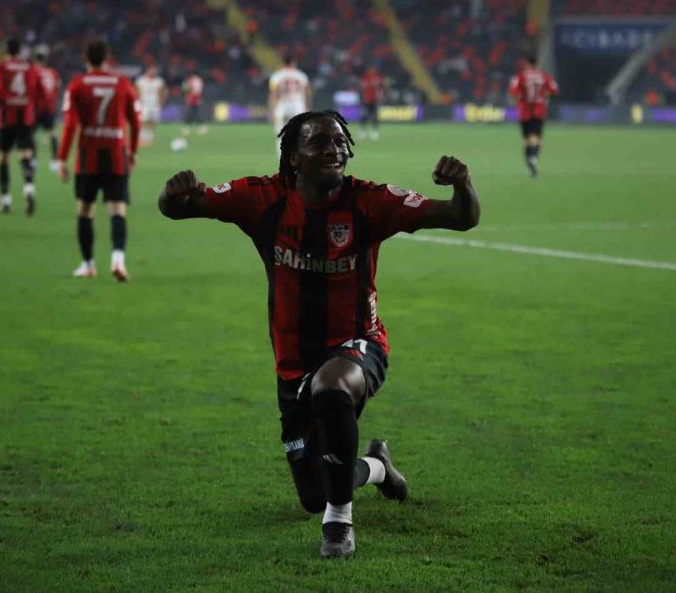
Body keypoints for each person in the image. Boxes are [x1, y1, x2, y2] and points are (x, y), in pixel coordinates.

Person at [158, 110, 480, 558]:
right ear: (292, 157)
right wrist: (175, 195)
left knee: (332, 389)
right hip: (293, 361)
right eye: (319, 143)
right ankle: (378, 468)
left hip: (358, 345)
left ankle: (340, 525)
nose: (334, 149)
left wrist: (462, 186)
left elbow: (461, 218)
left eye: (339, 141)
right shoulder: (263, 199)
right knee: (315, 494)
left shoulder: (369, 201)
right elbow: (178, 209)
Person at [57, 40, 140, 282]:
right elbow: (135, 120)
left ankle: (88, 264)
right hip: (115, 155)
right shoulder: (122, 83)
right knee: (117, 210)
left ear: (86, 59)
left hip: (88, 156)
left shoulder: (78, 85)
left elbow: (70, 124)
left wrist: (62, 158)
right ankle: (118, 260)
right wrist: (132, 151)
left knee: (85, 210)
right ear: (107, 58)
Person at [0, 37, 42, 214]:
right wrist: (30, 106)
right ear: (20, 51)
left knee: (3, 157)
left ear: (7, 51)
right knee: (25, 154)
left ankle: (5, 200)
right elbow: (40, 90)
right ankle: (29, 189)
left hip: (6, 116)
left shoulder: (0, 67)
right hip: (25, 116)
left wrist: (1, 104)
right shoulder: (30, 67)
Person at [508, 55, 558, 177]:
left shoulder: (521, 76)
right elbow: (554, 89)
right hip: (539, 110)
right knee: (537, 138)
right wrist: (545, 93)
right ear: (537, 63)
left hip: (525, 110)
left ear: (527, 63)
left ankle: (529, 165)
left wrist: (518, 97)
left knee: (526, 140)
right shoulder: (544, 76)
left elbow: (513, 91)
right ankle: (534, 158)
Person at [268, 57, 311, 159]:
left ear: (283, 63)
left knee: (281, 134)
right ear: (293, 63)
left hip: (282, 106)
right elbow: (308, 92)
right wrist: (308, 107)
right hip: (298, 106)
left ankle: (282, 158)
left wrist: (272, 110)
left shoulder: (277, 75)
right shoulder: (301, 75)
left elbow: (274, 93)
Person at [31, 45, 62, 172]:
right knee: (53, 133)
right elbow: (57, 88)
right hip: (49, 108)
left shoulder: (32, 72)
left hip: (36, 108)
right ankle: (55, 161)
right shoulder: (52, 73)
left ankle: (33, 160)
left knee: (31, 134)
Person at [135, 65, 167, 148]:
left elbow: (163, 92)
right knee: (142, 121)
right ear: (147, 71)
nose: (153, 72)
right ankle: (141, 139)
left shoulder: (159, 81)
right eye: (151, 70)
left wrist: (162, 102)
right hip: (144, 104)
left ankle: (150, 139)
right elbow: (136, 92)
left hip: (155, 104)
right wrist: (137, 102)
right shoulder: (141, 80)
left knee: (153, 121)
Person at [358, 65, 384, 141]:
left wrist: (380, 98)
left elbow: (380, 89)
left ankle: (374, 132)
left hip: (374, 100)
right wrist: (362, 98)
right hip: (366, 100)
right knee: (364, 116)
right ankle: (362, 131)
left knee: (374, 116)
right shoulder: (365, 77)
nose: (372, 70)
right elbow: (362, 88)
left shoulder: (377, 77)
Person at [180, 70, 206, 138]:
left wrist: (188, 91)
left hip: (194, 98)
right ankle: (192, 127)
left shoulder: (194, 80)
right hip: (193, 98)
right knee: (193, 112)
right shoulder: (195, 80)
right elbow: (185, 89)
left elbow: (192, 90)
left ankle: (194, 127)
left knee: (192, 112)